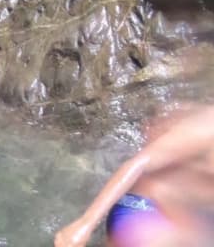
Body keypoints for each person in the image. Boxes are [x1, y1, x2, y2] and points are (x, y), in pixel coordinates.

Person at [54, 103, 214, 247]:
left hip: (189, 219)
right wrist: (85, 224)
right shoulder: (207, 125)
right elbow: (139, 163)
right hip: (144, 208)